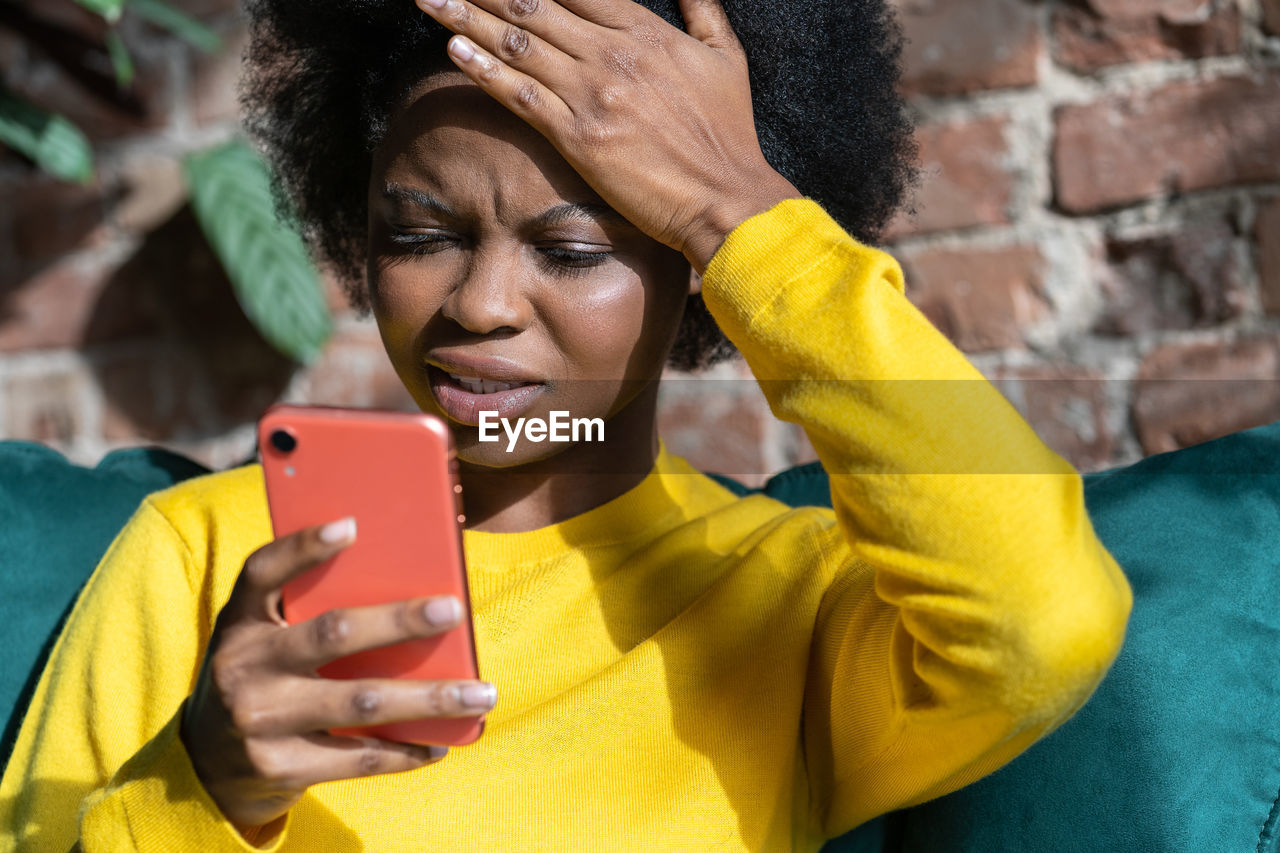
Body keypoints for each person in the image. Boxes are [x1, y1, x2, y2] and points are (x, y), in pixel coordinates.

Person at [0, 0, 1133, 850]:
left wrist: (736, 207)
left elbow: (1044, 620)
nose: (480, 305)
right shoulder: (202, 553)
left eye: (573, 250)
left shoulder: (786, 601)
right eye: (418, 233)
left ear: (695, 272)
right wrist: (203, 787)